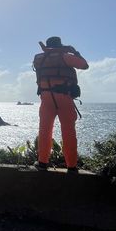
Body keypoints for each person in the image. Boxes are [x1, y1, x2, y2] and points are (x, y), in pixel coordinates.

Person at [33, 37, 88, 172]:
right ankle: (72, 166)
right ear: (60, 45)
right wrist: (74, 51)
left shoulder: (38, 58)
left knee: (44, 130)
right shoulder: (66, 56)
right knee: (68, 131)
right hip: (64, 98)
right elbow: (84, 65)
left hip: (46, 99)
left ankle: (42, 163)